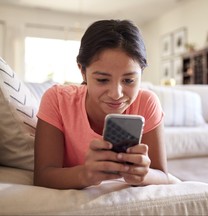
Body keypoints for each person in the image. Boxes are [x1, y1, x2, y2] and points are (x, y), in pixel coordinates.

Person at [33, 19, 170, 189]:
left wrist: (143, 174)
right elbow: (43, 177)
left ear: (141, 73)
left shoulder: (147, 102)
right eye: (102, 80)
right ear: (82, 71)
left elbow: (163, 175)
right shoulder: (57, 100)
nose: (116, 94)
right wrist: (86, 174)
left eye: (129, 80)